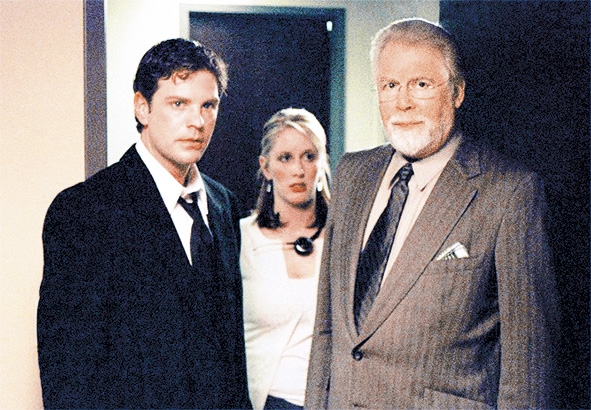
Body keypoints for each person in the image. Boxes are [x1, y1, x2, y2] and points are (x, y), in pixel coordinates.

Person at [305, 18, 559, 409]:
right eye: (390, 85)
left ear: (457, 92)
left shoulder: (509, 192)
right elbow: (327, 331)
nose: (402, 103)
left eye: (421, 84)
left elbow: (528, 370)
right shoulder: (352, 173)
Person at [37, 38, 251, 409]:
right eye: (178, 104)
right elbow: (67, 373)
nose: (198, 122)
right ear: (142, 107)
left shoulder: (224, 205)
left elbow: (230, 353)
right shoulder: (84, 211)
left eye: (208, 105)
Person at [240, 108, 331, 410]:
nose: (298, 170)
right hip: (264, 401)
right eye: (285, 158)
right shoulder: (241, 239)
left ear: (322, 163)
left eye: (309, 156)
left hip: (333, 399)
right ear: (265, 167)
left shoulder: (344, 239)